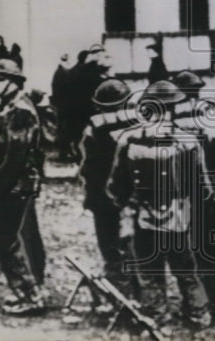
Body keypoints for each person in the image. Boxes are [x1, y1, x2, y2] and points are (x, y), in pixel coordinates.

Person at [106, 80, 211, 328]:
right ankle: (198, 314)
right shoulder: (188, 141)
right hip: (178, 213)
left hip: (143, 213)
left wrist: (126, 205)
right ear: (174, 108)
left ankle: (156, 316)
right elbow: (202, 186)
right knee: (185, 267)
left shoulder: (129, 141)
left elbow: (115, 183)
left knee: (149, 269)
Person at [0, 59, 47, 316]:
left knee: (7, 242)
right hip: (11, 185)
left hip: (15, 186)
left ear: (14, 83)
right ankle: (31, 292)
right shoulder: (7, 109)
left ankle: (30, 296)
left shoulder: (21, 112)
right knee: (14, 239)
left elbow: (13, 163)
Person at [171, 71, 215, 320]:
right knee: (211, 244)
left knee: (187, 245)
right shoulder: (211, 115)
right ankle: (212, 297)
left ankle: (193, 302)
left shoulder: (171, 117)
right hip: (212, 192)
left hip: (183, 191)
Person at [78, 78, 139, 298]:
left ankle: (120, 296)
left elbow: (87, 167)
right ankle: (139, 293)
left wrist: (90, 198)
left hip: (103, 198)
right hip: (133, 197)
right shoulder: (141, 125)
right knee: (136, 247)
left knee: (110, 249)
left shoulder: (94, 128)